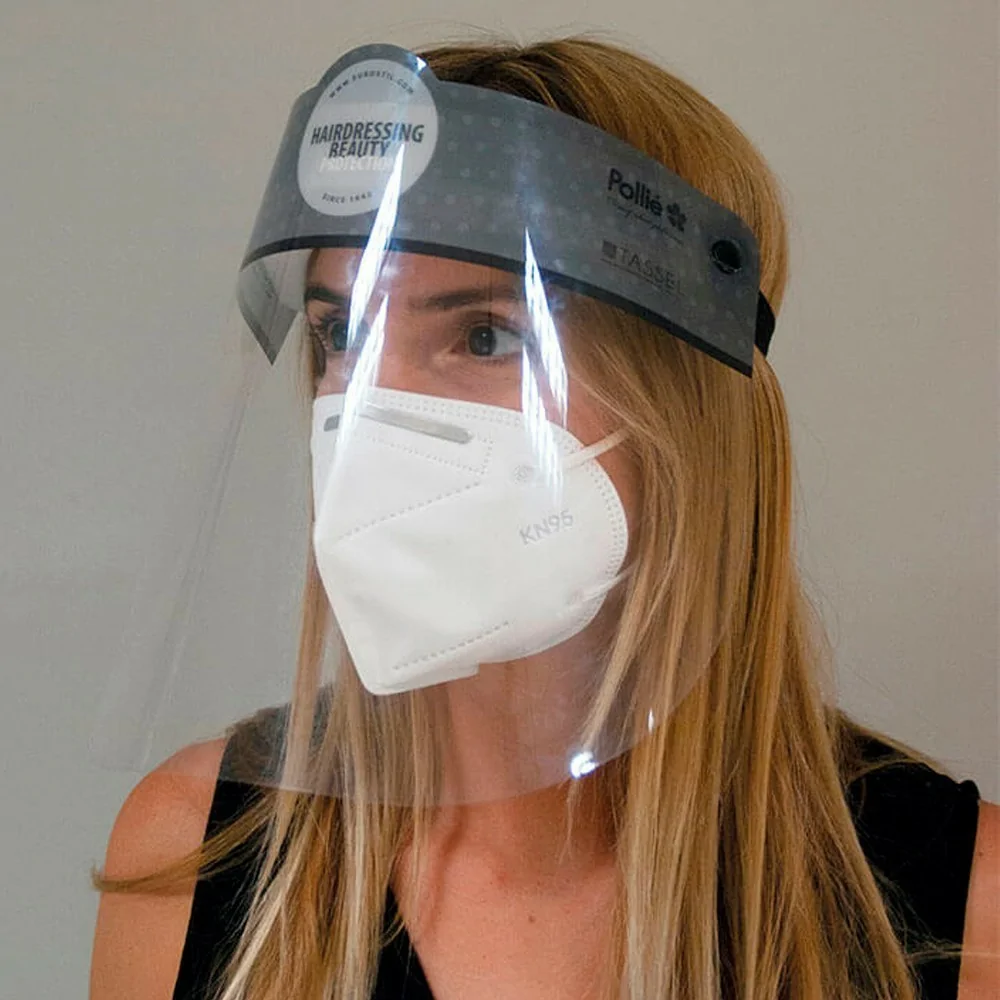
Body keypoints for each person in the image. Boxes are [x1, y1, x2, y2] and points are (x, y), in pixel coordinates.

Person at [88, 36, 997, 1000]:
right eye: (340, 333)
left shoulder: (961, 911)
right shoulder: (198, 858)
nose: (370, 418)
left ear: (686, 413)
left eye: (485, 336)